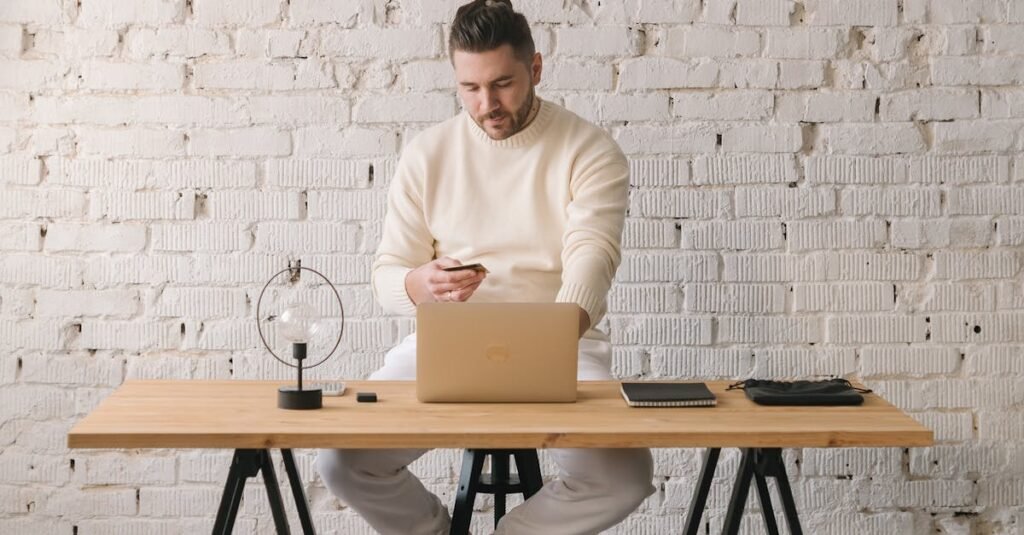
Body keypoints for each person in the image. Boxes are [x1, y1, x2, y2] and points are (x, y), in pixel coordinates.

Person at [315, 1, 655, 533]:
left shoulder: (588, 149)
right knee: (342, 460)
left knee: (625, 476)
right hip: (447, 345)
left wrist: (553, 338)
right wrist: (419, 284)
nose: (486, 104)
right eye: (469, 88)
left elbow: (593, 256)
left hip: (563, 344)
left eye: (502, 84)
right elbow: (388, 273)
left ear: (535, 68)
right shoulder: (427, 154)